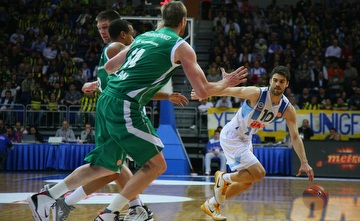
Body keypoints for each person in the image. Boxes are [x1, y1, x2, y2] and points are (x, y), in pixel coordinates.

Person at [28, 3, 247, 221]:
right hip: (124, 105)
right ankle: (112, 213)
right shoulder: (181, 46)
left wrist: (103, 82)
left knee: (105, 165)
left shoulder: (144, 37)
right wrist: (226, 82)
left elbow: (110, 67)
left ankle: (48, 197)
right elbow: (202, 90)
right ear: (183, 22)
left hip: (107, 99)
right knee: (156, 164)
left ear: (162, 19)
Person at [192, 66, 314, 220]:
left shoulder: (287, 108)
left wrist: (304, 162)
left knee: (247, 181)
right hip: (233, 136)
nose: (277, 84)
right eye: (275, 80)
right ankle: (224, 178)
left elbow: (295, 137)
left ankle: (212, 204)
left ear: (287, 84)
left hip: (246, 140)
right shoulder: (256, 93)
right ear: (270, 81)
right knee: (259, 173)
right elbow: (226, 91)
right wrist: (203, 91)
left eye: (281, 82)